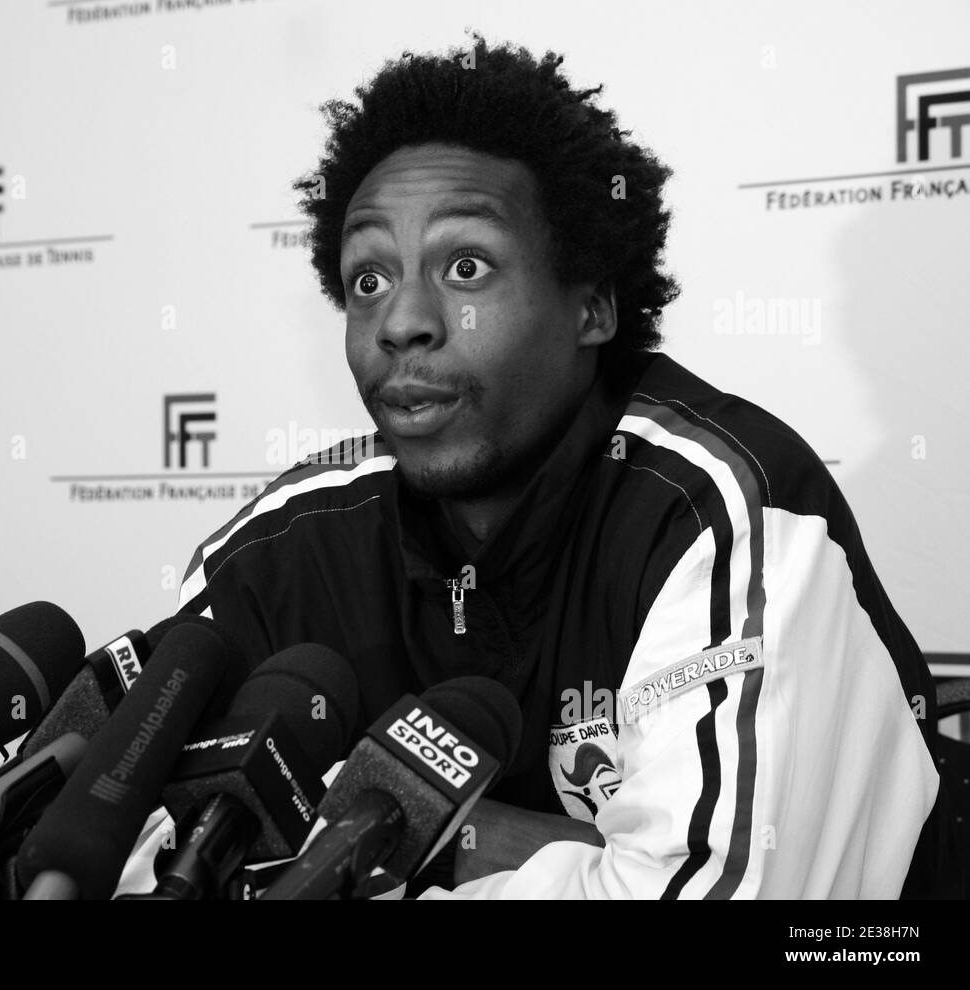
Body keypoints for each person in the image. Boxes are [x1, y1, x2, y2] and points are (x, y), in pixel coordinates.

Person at [173, 35, 953, 898]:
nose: (403, 321)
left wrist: (405, 844)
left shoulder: (720, 510)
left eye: (465, 267)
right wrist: (541, 851)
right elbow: (145, 847)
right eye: (368, 281)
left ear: (592, 307)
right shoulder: (277, 551)